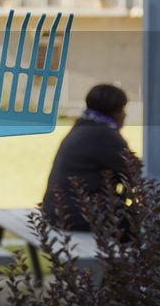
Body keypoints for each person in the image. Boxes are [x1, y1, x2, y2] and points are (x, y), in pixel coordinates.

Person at [41, 83, 132, 232]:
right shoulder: (105, 135)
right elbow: (135, 173)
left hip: (57, 211)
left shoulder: (82, 126)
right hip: (78, 215)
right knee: (145, 223)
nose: (125, 115)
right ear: (115, 112)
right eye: (122, 109)